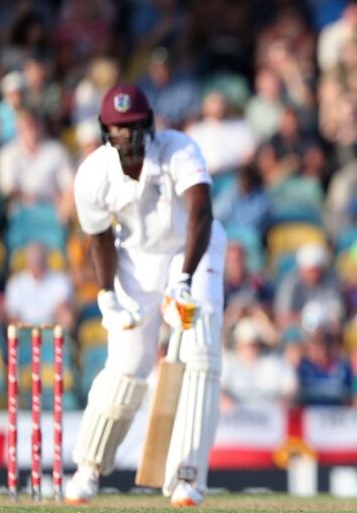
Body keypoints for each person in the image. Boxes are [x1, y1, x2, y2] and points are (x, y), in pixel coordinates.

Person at [65, 85, 226, 507]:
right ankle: (88, 469)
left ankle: (188, 476)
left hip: (192, 250)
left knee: (200, 351)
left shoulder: (179, 149)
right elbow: (100, 238)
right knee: (127, 366)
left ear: (149, 124)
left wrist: (185, 279)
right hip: (135, 262)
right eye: (118, 128)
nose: (126, 135)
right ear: (105, 130)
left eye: (133, 126)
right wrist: (106, 295)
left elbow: (201, 212)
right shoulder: (93, 174)